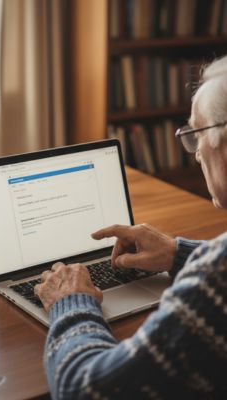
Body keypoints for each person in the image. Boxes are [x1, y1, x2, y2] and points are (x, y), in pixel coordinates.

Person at [34, 55, 227, 399]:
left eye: (197, 135)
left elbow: (84, 389)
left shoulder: (215, 281)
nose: (196, 155)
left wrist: (71, 303)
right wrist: (178, 252)